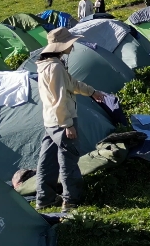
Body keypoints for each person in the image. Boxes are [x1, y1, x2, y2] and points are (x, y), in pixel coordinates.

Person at [35, 28, 106, 211]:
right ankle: (71, 200)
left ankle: (44, 199)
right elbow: (59, 97)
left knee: (47, 160)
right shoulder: (56, 67)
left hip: (50, 121)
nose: (72, 46)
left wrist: (92, 92)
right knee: (68, 160)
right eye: (70, 43)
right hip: (62, 121)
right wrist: (67, 124)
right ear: (61, 46)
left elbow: (71, 84)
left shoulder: (46, 65)